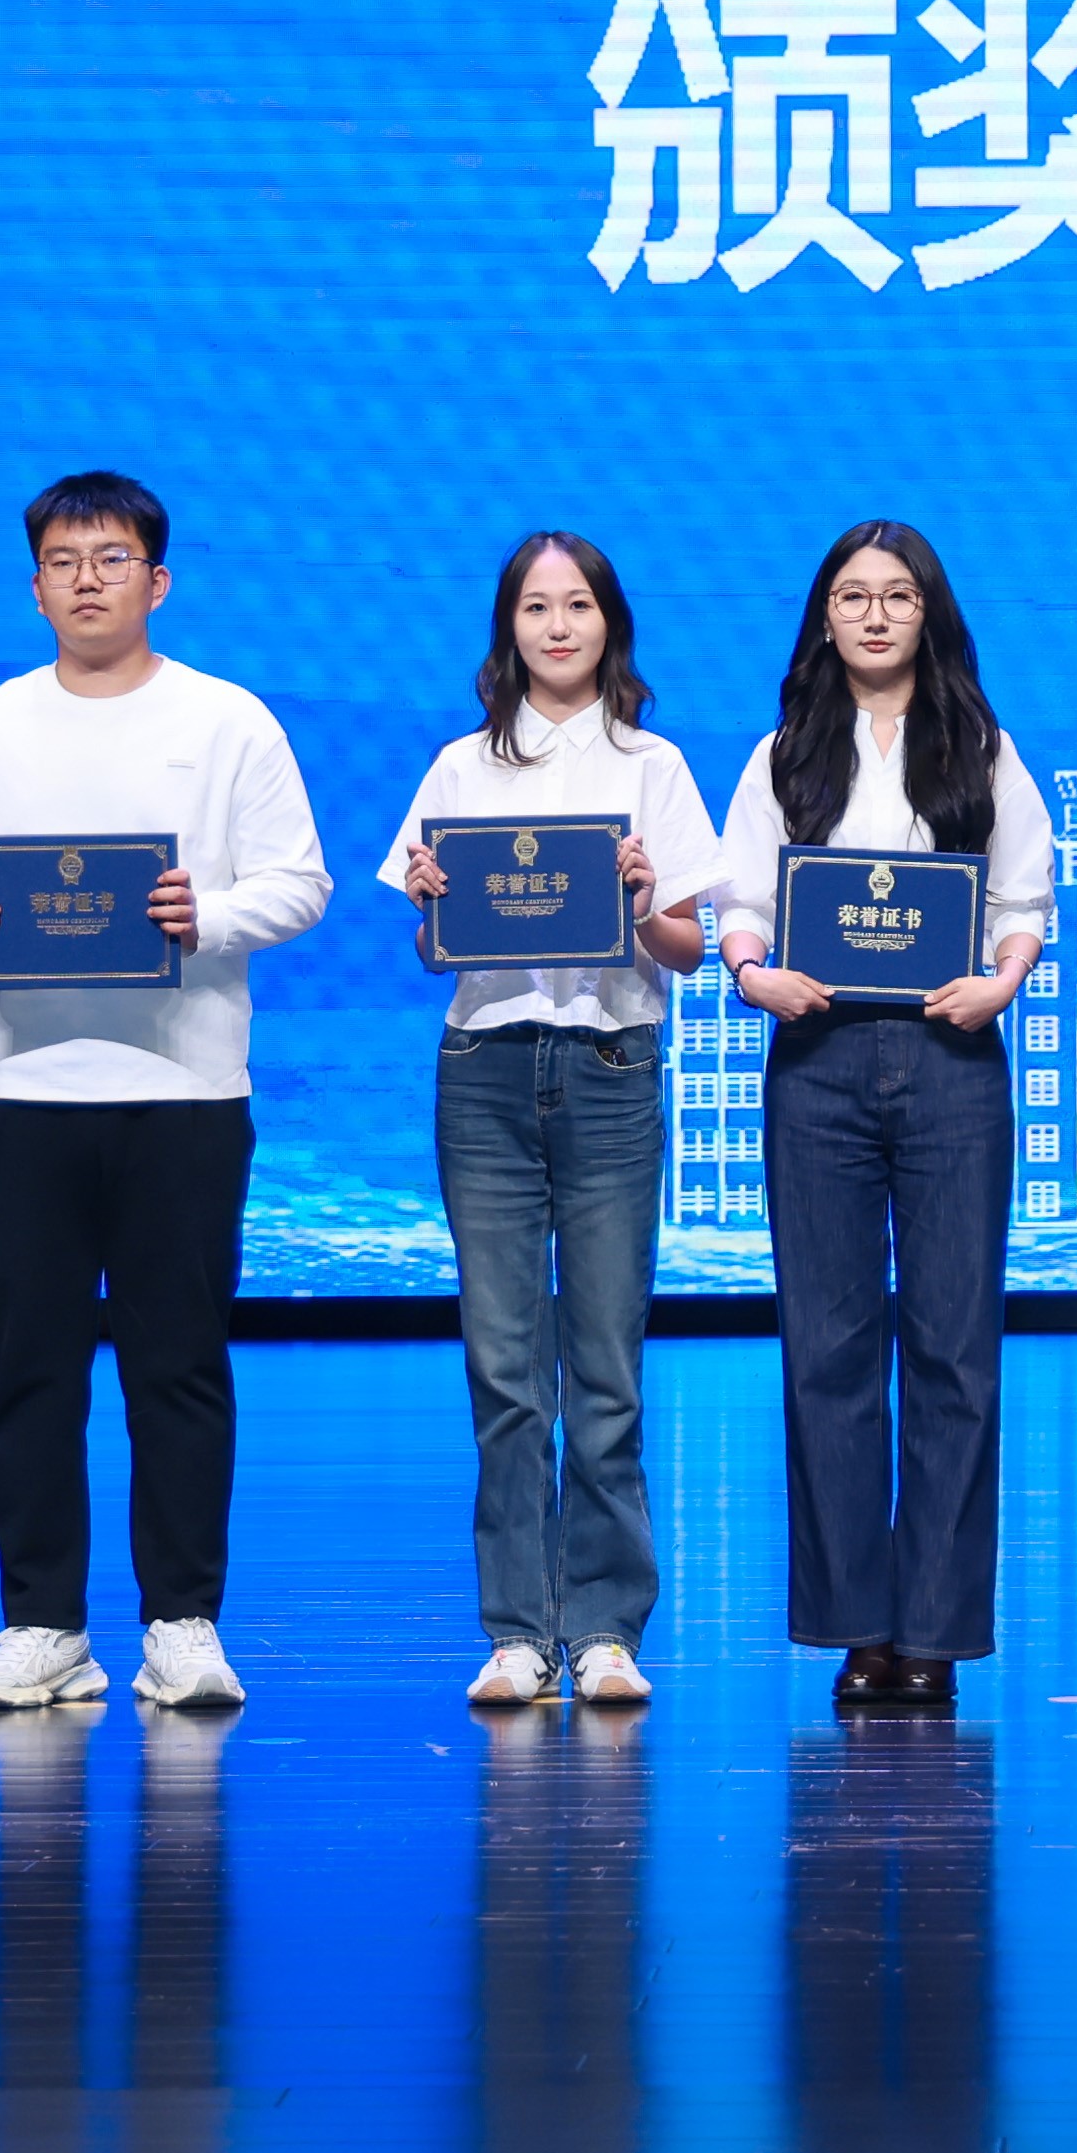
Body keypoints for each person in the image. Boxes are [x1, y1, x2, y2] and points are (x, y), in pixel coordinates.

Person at [0, 472, 330, 1718]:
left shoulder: (229, 722)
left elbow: (300, 882)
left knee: (178, 1367)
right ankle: (44, 1627)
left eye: (113, 558)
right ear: (35, 588)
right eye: (65, 562)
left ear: (157, 581)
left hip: (183, 1089)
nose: (89, 580)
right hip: (14, 1088)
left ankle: (182, 1625)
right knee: (28, 1370)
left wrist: (207, 913)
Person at [712, 523, 1049, 1711]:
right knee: (829, 1350)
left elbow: (1023, 898)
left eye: (896, 596)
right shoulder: (784, 754)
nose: (873, 615)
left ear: (928, 613)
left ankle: (937, 1631)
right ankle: (860, 1628)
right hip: (818, 1061)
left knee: (955, 1350)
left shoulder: (982, 748)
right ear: (825, 616)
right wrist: (753, 974)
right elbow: (740, 901)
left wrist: (1002, 982)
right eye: (853, 596)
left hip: (952, 1057)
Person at [386, 532, 721, 1713]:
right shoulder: (459, 767)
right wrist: (430, 904)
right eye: (537, 607)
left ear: (608, 622)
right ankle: (519, 1633)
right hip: (484, 1069)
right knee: (504, 1365)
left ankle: (609, 1629)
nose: (558, 626)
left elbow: (688, 948)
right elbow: (434, 954)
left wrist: (640, 901)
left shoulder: (653, 765)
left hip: (611, 1066)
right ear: (509, 627)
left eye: (578, 605)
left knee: (606, 1365)